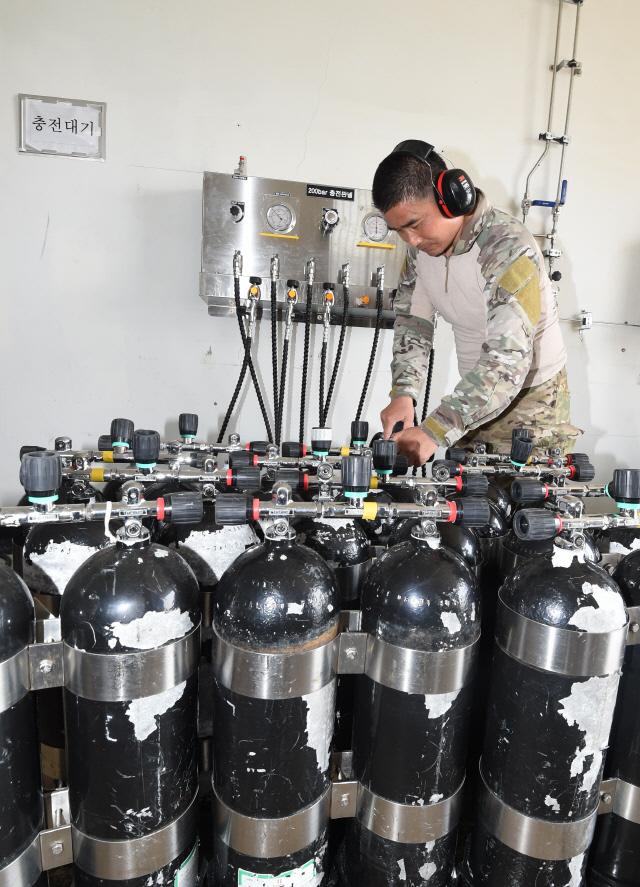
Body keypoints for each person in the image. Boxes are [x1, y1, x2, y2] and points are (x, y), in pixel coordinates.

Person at [374, 139, 580, 465]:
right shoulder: (420, 253)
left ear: (450, 200)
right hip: (473, 394)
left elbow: (507, 361)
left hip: (532, 401)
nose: (411, 240)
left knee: (521, 505)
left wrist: (435, 430)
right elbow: (414, 322)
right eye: (399, 230)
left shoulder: (506, 247)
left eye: (414, 224)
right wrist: (404, 393)